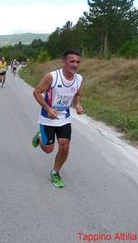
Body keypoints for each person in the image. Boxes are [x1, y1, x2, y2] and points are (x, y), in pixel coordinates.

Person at [31, 49, 83, 188]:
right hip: (47, 117)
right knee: (48, 149)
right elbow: (36, 92)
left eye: (78, 62)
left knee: (64, 145)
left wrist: (77, 104)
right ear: (64, 62)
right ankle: (41, 135)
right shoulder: (52, 77)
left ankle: (55, 172)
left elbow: (77, 93)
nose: (75, 64)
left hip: (64, 118)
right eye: (72, 61)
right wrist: (48, 108)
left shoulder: (79, 78)